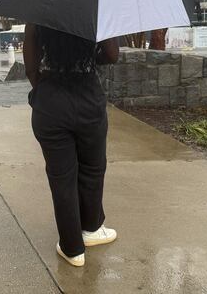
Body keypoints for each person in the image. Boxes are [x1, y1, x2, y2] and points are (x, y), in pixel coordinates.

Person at [24, 23, 120, 267]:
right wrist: (90, 57)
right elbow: (111, 54)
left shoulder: (38, 11)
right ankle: (91, 229)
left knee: (61, 177)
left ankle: (72, 248)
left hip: (50, 100)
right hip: (88, 97)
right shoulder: (95, 11)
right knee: (92, 168)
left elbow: (31, 68)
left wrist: (45, 93)